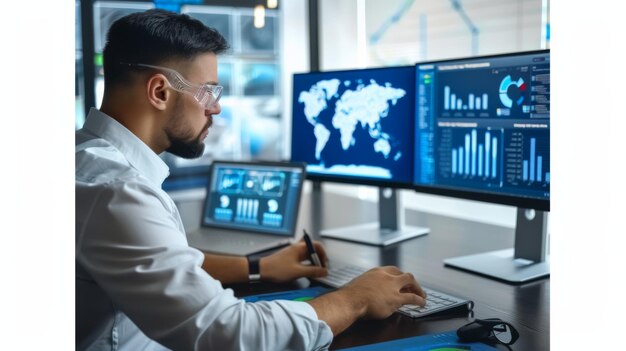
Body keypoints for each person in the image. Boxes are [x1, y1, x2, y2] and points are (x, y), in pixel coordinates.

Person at [76, 9, 426, 351]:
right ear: (160, 92)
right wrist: (356, 299)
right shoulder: (116, 191)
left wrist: (258, 267)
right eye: (208, 92)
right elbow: (230, 333)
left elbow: (161, 262)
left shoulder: (86, 158)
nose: (215, 108)